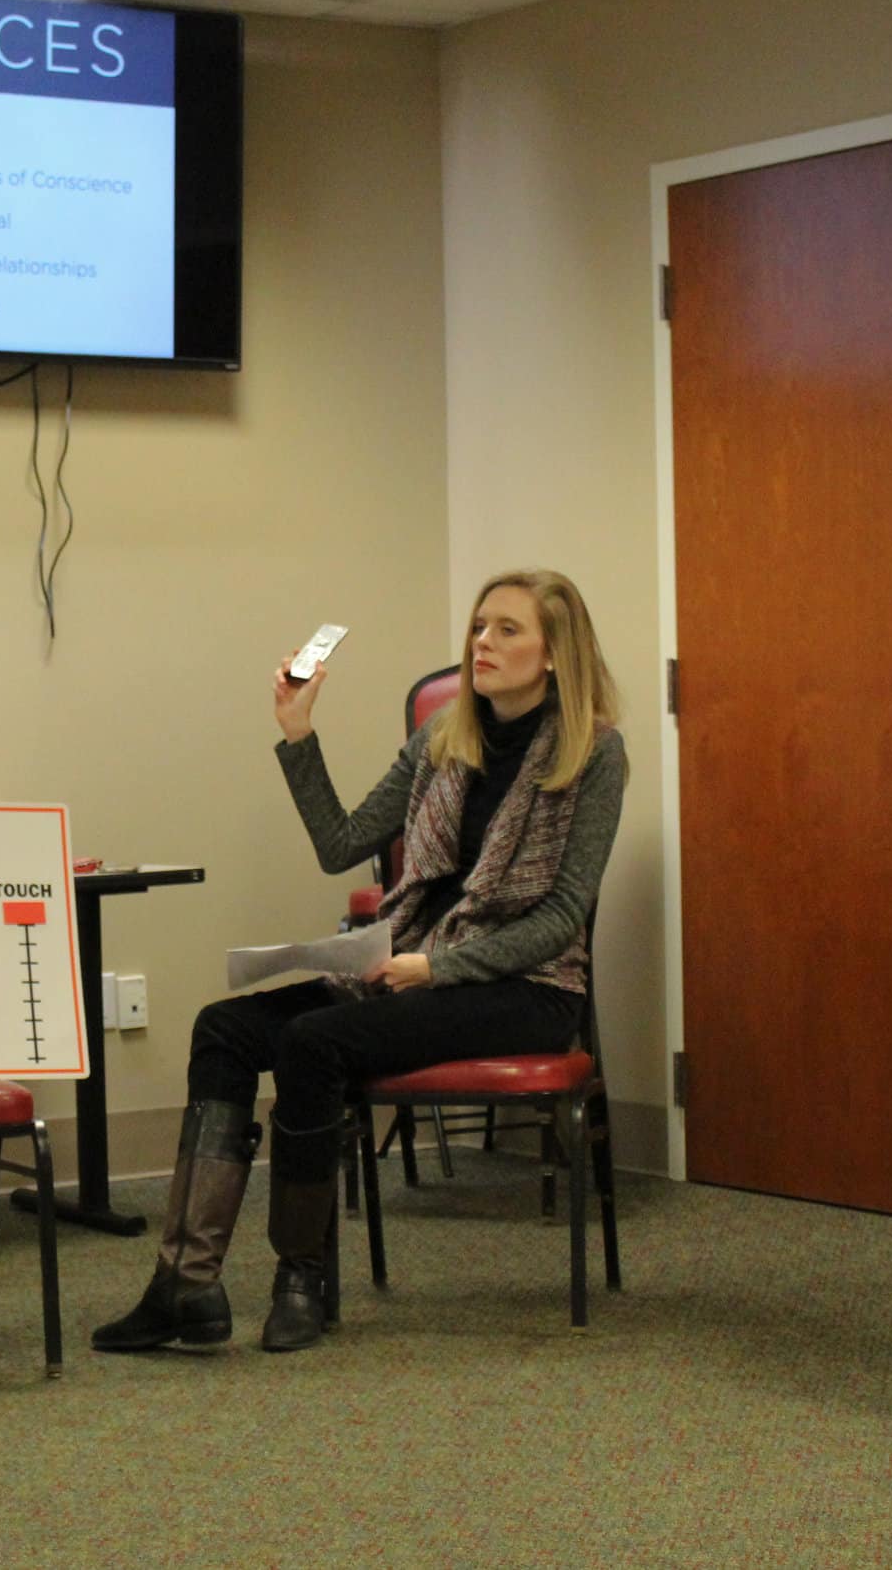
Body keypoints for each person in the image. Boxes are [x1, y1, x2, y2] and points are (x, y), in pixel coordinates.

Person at [93, 569, 626, 1355]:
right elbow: (341, 843)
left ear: (555, 653)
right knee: (225, 1028)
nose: (483, 642)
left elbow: (560, 917)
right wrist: (299, 734)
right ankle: (185, 1285)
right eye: (480, 626)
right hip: (408, 964)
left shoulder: (592, 753)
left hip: (526, 987)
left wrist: (441, 969)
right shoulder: (443, 738)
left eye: (507, 629)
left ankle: (298, 1278)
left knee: (316, 1040)